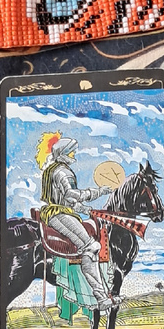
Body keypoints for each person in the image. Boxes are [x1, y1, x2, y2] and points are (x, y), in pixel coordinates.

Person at [37, 132, 115, 310]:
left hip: (56, 211)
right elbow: (71, 194)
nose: (73, 155)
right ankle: (101, 298)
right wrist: (99, 191)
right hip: (59, 214)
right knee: (91, 247)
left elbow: (66, 200)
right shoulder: (63, 171)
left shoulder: (51, 170)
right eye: (71, 151)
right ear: (63, 153)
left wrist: (85, 209)